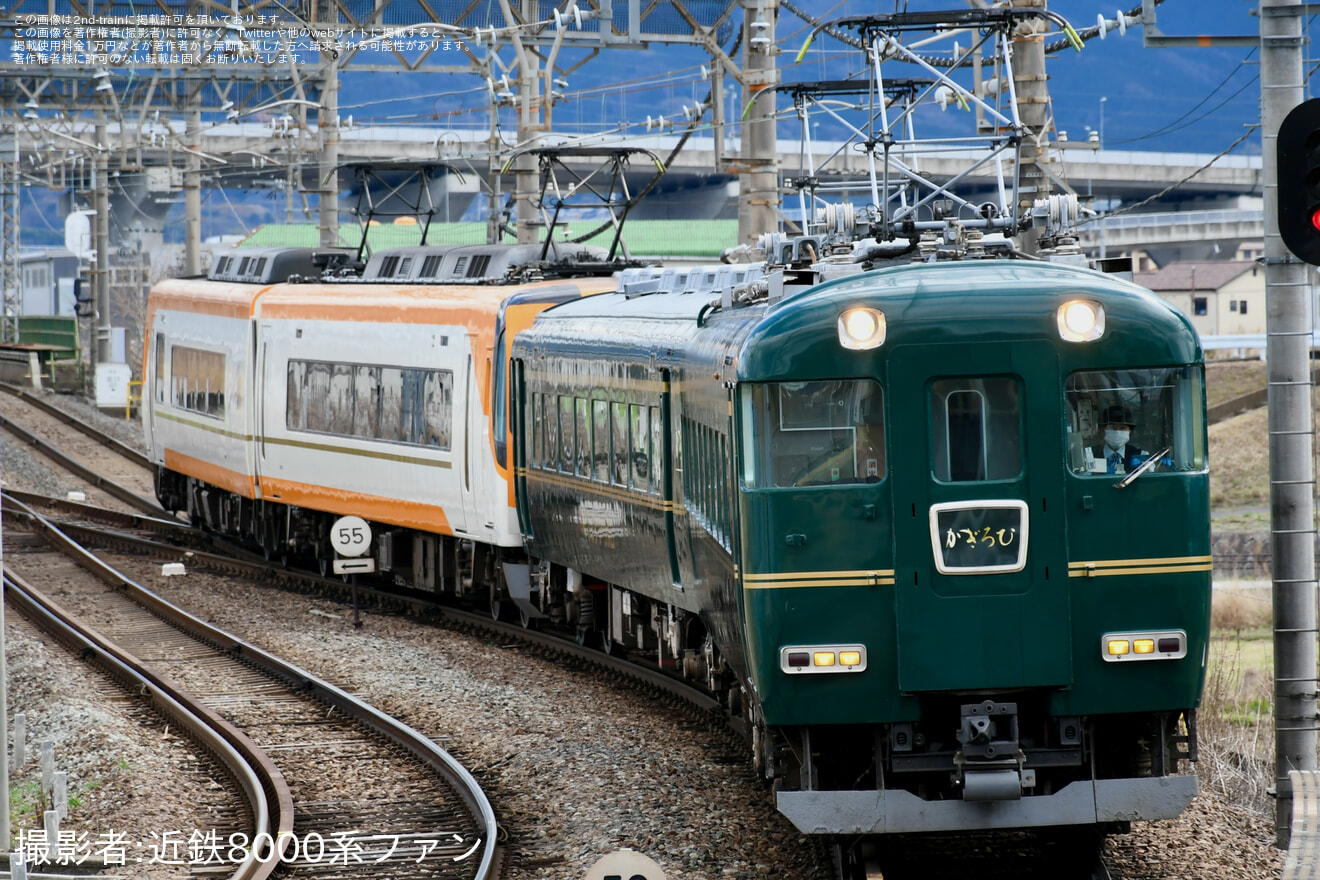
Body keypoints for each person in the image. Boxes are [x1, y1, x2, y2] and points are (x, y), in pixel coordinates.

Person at [1091, 404, 1149, 475]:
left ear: (1130, 431)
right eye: (1112, 428)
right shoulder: (1090, 455)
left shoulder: (1140, 456)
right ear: (1103, 430)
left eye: (1122, 428)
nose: (1117, 432)